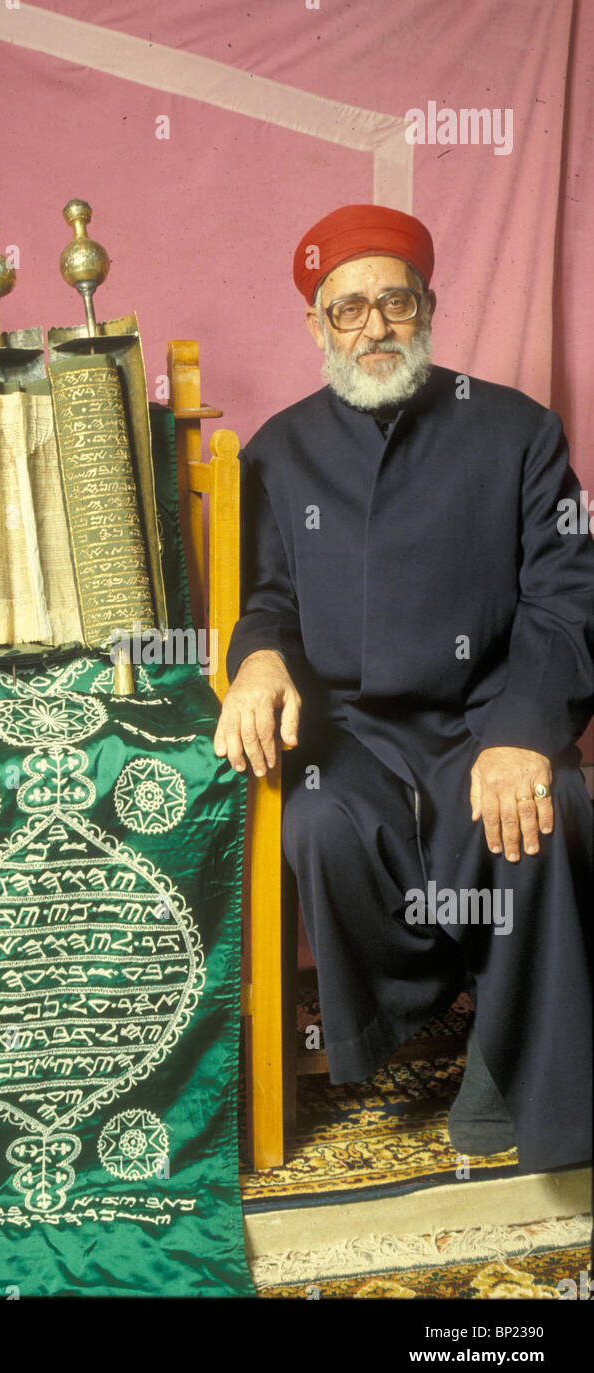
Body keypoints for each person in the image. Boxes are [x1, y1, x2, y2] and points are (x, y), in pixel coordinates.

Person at [214, 204, 593, 1173]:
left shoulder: (517, 429)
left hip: (484, 715)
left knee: (547, 807)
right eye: (347, 309)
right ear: (315, 326)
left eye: (393, 301)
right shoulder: (276, 450)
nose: (372, 326)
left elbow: (567, 594)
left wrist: (522, 729)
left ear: (428, 306)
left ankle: (507, 1062)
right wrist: (255, 657)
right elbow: (263, 601)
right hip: (350, 733)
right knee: (314, 823)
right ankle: (406, 1021)